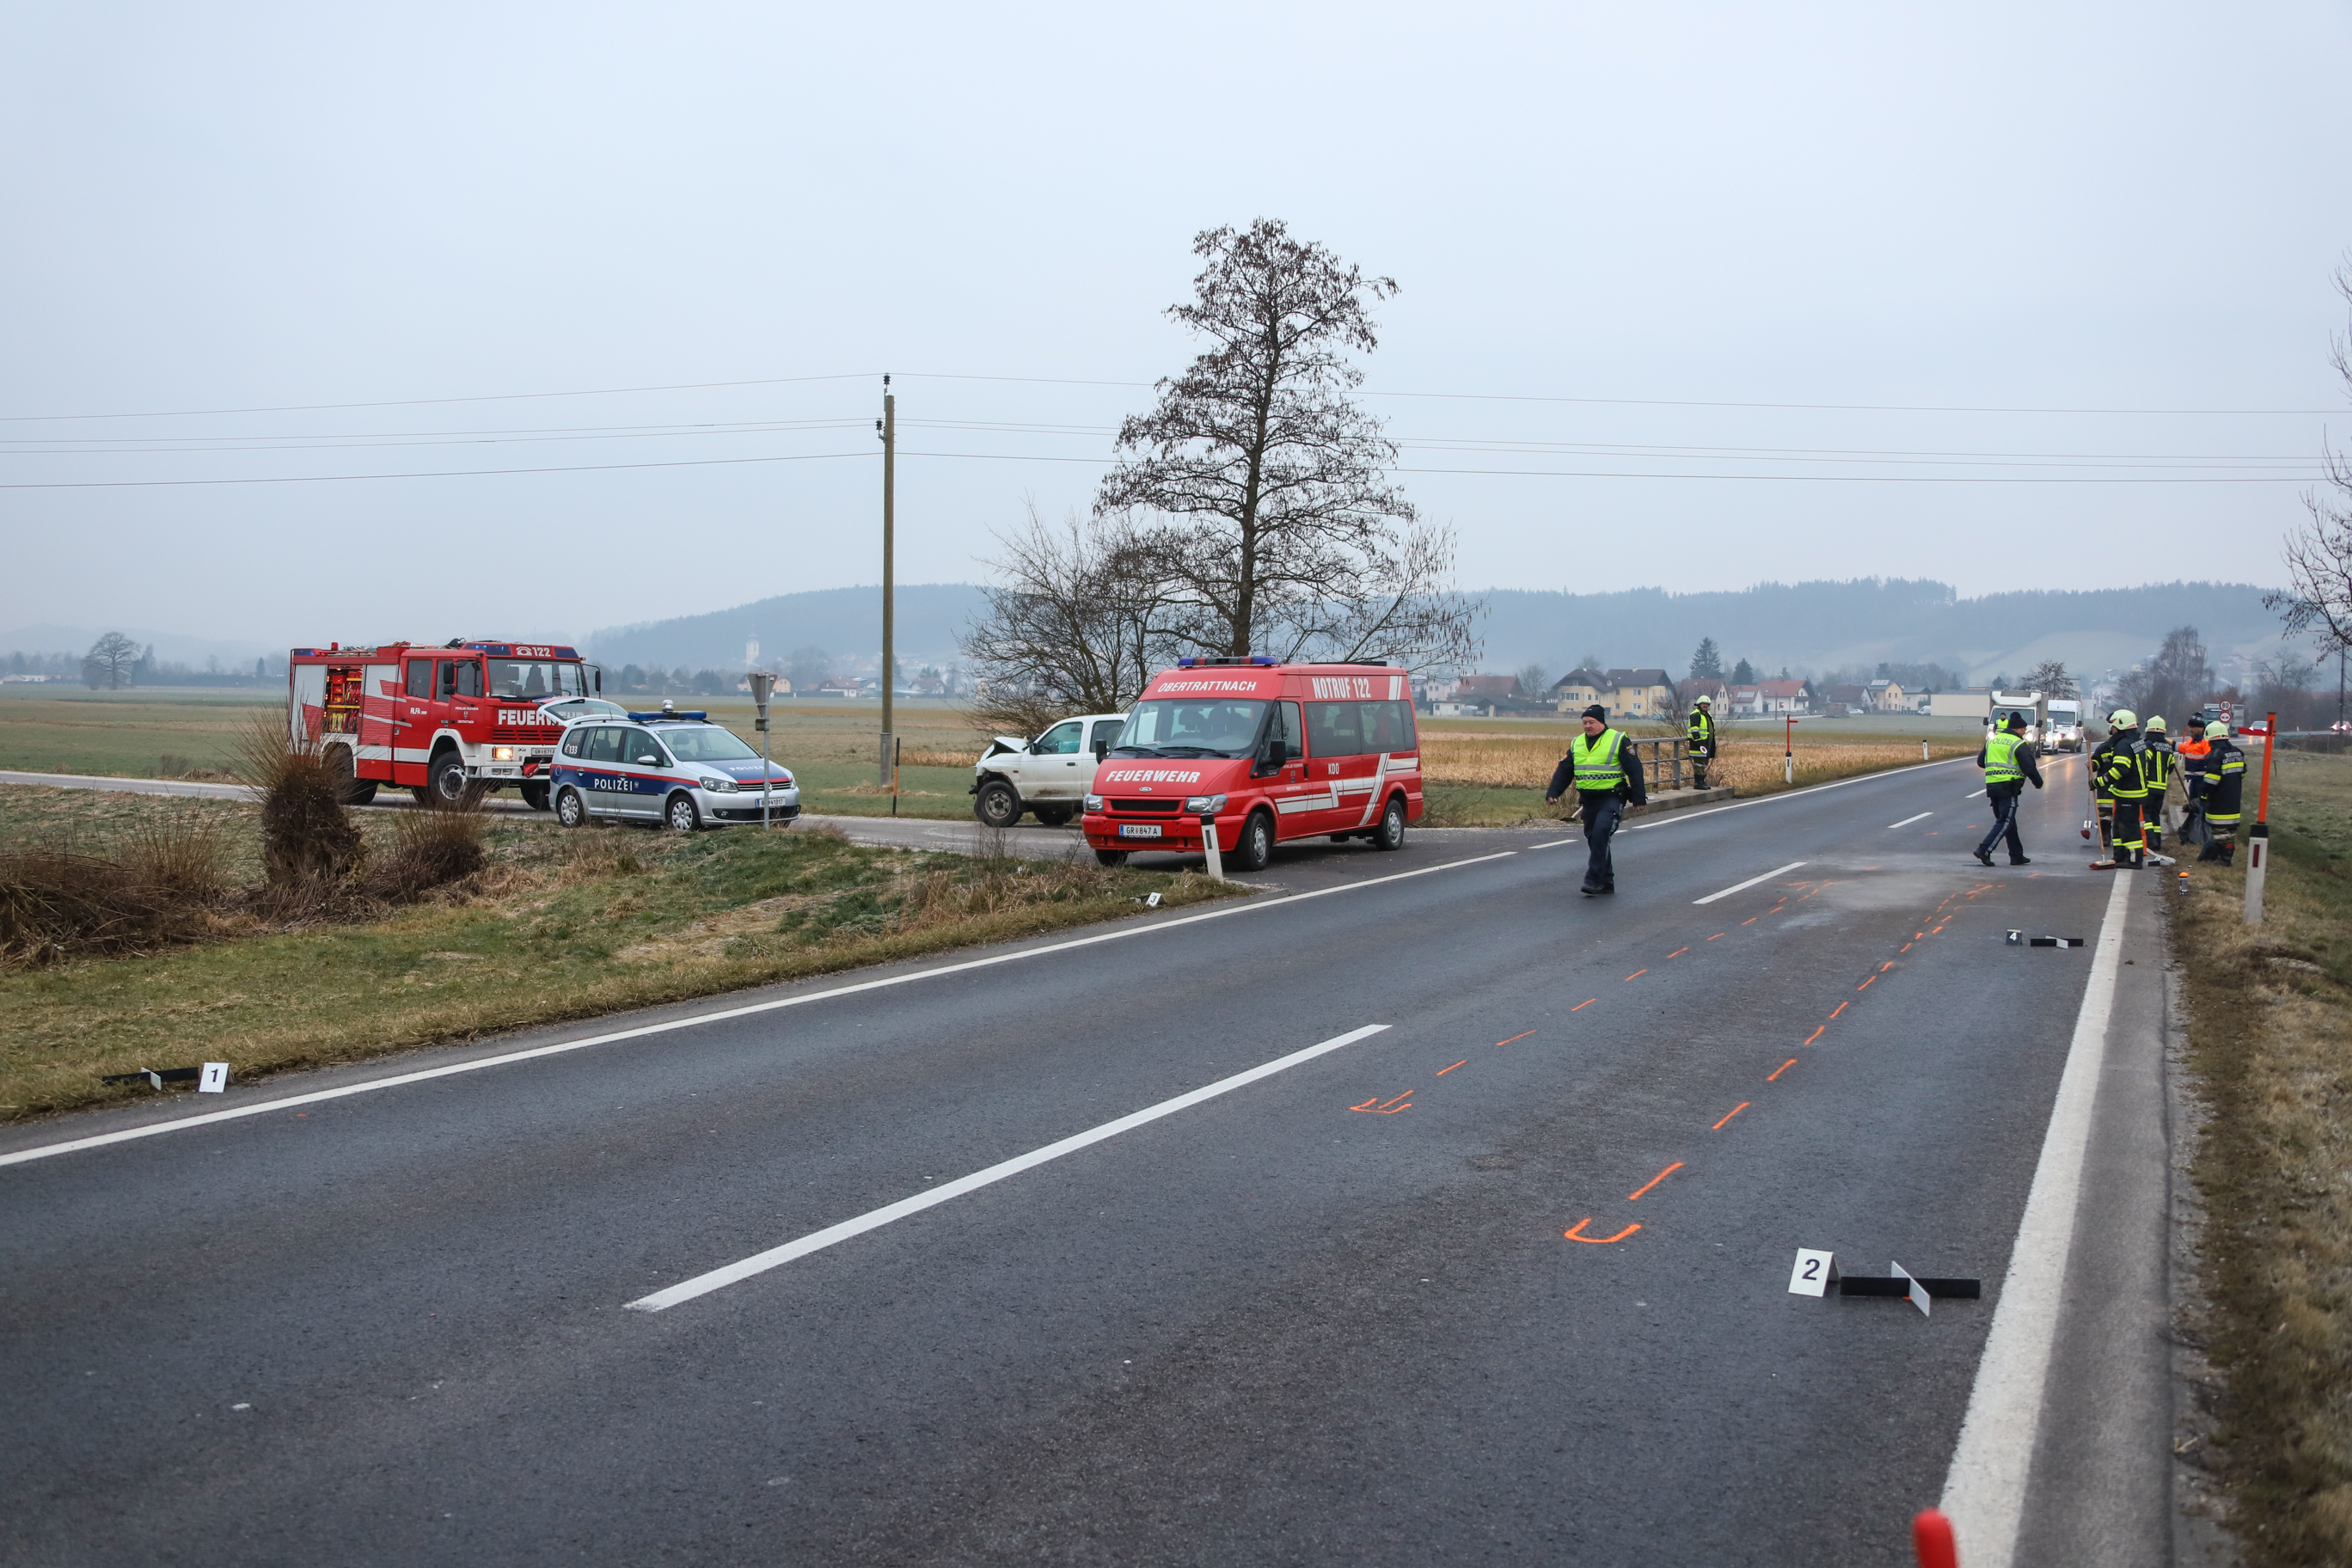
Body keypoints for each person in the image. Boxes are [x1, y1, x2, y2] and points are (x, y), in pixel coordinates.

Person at [1547, 704, 1648, 896]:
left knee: (1601, 833)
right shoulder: (1577, 743)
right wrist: (1554, 791)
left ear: (1602, 722)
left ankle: (1592, 879)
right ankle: (1606, 881)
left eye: (1591, 722)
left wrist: (1638, 797)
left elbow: (1634, 770)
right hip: (1588, 800)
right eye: (1584, 722)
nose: (1587, 726)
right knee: (1594, 839)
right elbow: (1565, 770)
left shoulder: (1618, 739)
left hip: (1612, 797)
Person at [1972, 711, 2043, 866]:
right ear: (2018, 729)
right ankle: (1984, 849)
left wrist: (1995, 768)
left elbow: (1980, 762)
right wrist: (2038, 782)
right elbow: (2029, 767)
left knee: (2008, 821)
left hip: (1992, 786)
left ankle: (2016, 855)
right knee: (2005, 821)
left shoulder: (1992, 741)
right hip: (2008, 786)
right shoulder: (2018, 743)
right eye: (2024, 730)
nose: (2025, 733)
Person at [2089, 709, 2151, 869]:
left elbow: (2120, 770)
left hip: (2129, 793)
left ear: (2120, 725)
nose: (2111, 730)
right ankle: (2120, 856)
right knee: (2118, 826)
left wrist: (2098, 782)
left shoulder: (2122, 745)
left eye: (2113, 726)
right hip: (2134, 791)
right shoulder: (2137, 742)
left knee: (2128, 828)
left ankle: (2134, 860)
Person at [2190, 720, 2247, 864]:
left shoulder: (2215, 755)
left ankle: (2224, 859)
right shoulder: (2237, 752)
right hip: (2234, 798)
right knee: (2231, 830)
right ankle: (2226, 856)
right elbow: (2243, 773)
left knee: (2220, 831)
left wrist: (2202, 794)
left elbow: (2211, 780)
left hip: (2219, 800)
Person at [2141, 715, 2174, 855]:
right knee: (2155, 814)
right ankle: (2158, 842)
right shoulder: (2167, 746)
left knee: (2146, 814)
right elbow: (2171, 766)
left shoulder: (2147, 745)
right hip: (2161, 787)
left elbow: (2144, 764)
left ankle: (2151, 840)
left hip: (2148, 786)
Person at [1687, 693, 1718, 790]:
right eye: (1704, 704)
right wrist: (1699, 742)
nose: (1706, 706)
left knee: (1703, 764)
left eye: (1707, 704)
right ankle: (1698, 783)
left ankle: (1702, 781)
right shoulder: (1696, 715)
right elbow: (1694, 730)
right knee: (1698, 764)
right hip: (1698, 744)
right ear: (1699, 704)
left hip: (1706, 744)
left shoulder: (1707, 715)